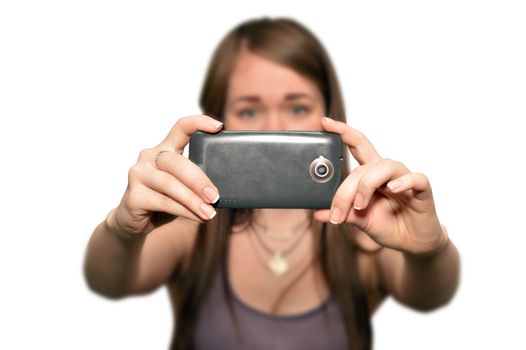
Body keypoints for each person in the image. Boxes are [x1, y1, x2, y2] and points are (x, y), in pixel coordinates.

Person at [84, 17, 460, 350]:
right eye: (249, 109)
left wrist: (429, 249)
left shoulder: (364, 233)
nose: (276, 125)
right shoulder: (192, 225)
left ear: (329, 115)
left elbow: (429, 296)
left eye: (297, 106)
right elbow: (109, 282)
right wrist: (121, 229)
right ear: (218, 121)